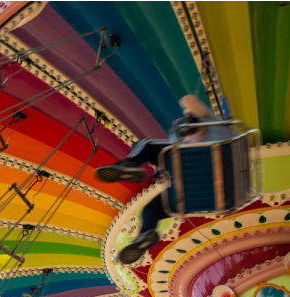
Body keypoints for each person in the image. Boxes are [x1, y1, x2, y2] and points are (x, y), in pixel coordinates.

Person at [94, 95, 235, 265]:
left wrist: (192, 112)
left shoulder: (213, 126)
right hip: (208, 192)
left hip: (198, 177)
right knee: (150, 209)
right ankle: (144, 235)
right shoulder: (208, 135)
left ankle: (129, 165)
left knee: (147, 145)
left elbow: (188, 99)